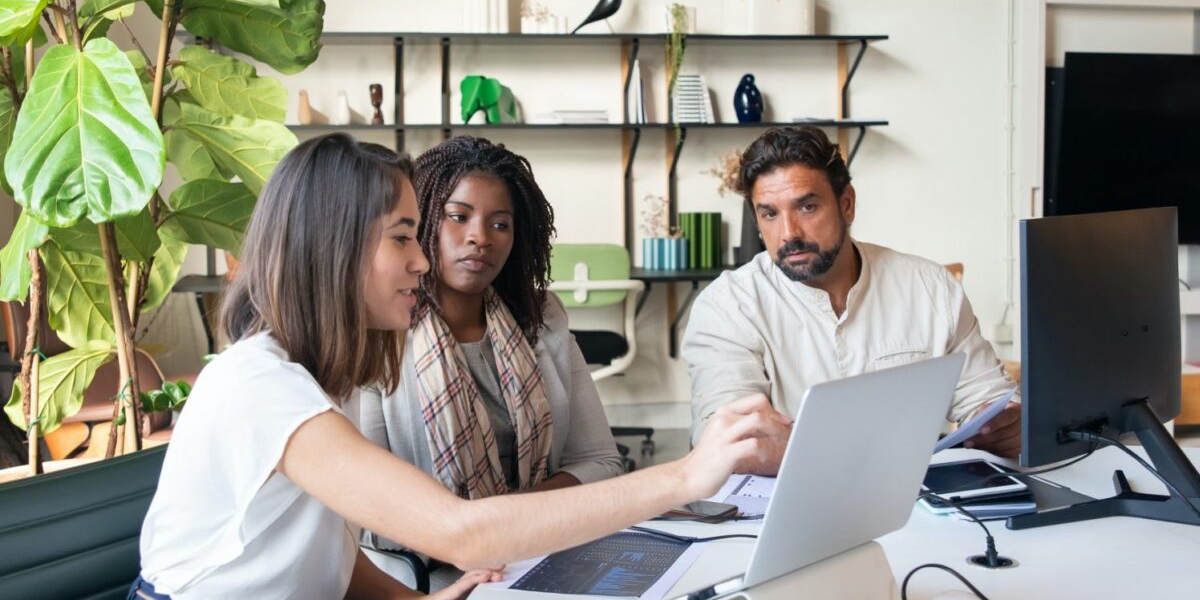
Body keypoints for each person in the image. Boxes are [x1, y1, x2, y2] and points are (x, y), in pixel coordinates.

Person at [135, 133, 768, 599]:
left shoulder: (313, 375)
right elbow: (459, 533)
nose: (421, 261)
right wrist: (687, 477)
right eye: (405, 237)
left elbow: (324, 550)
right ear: (336, 247)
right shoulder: (260, 385)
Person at [682, 126, 1019, 477]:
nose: (789, 233)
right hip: (783, 512)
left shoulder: (931, 289)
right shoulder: (727, 307)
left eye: (807, 206)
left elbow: (990, 399)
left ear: (846, 204)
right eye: (770, 214)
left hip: (917, 506)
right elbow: (730, 443)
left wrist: (1002, 424)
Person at [358, 137, 623, 574]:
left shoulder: (543, 318)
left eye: (500, 224)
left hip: (546, 551)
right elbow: (373, 518)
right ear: (421, 222)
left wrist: (504, 523)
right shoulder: (380, 333)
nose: (480, 237)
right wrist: (481, 533)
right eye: (458, 217)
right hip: (434, 575)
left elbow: (600, 463)